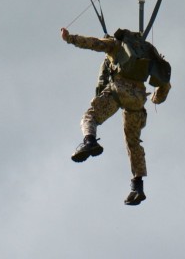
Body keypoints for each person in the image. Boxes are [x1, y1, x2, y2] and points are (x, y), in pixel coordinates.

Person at [60, 25, 171, 206]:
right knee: (133, 143)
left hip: (118, 91)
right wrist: (156, 100)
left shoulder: (116, 44)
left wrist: (69, 38)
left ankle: (89, 141)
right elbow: (165, 83)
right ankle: (138, 186)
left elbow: (93, 43)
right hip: (137, 100)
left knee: (90, 117)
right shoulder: (149, 52)